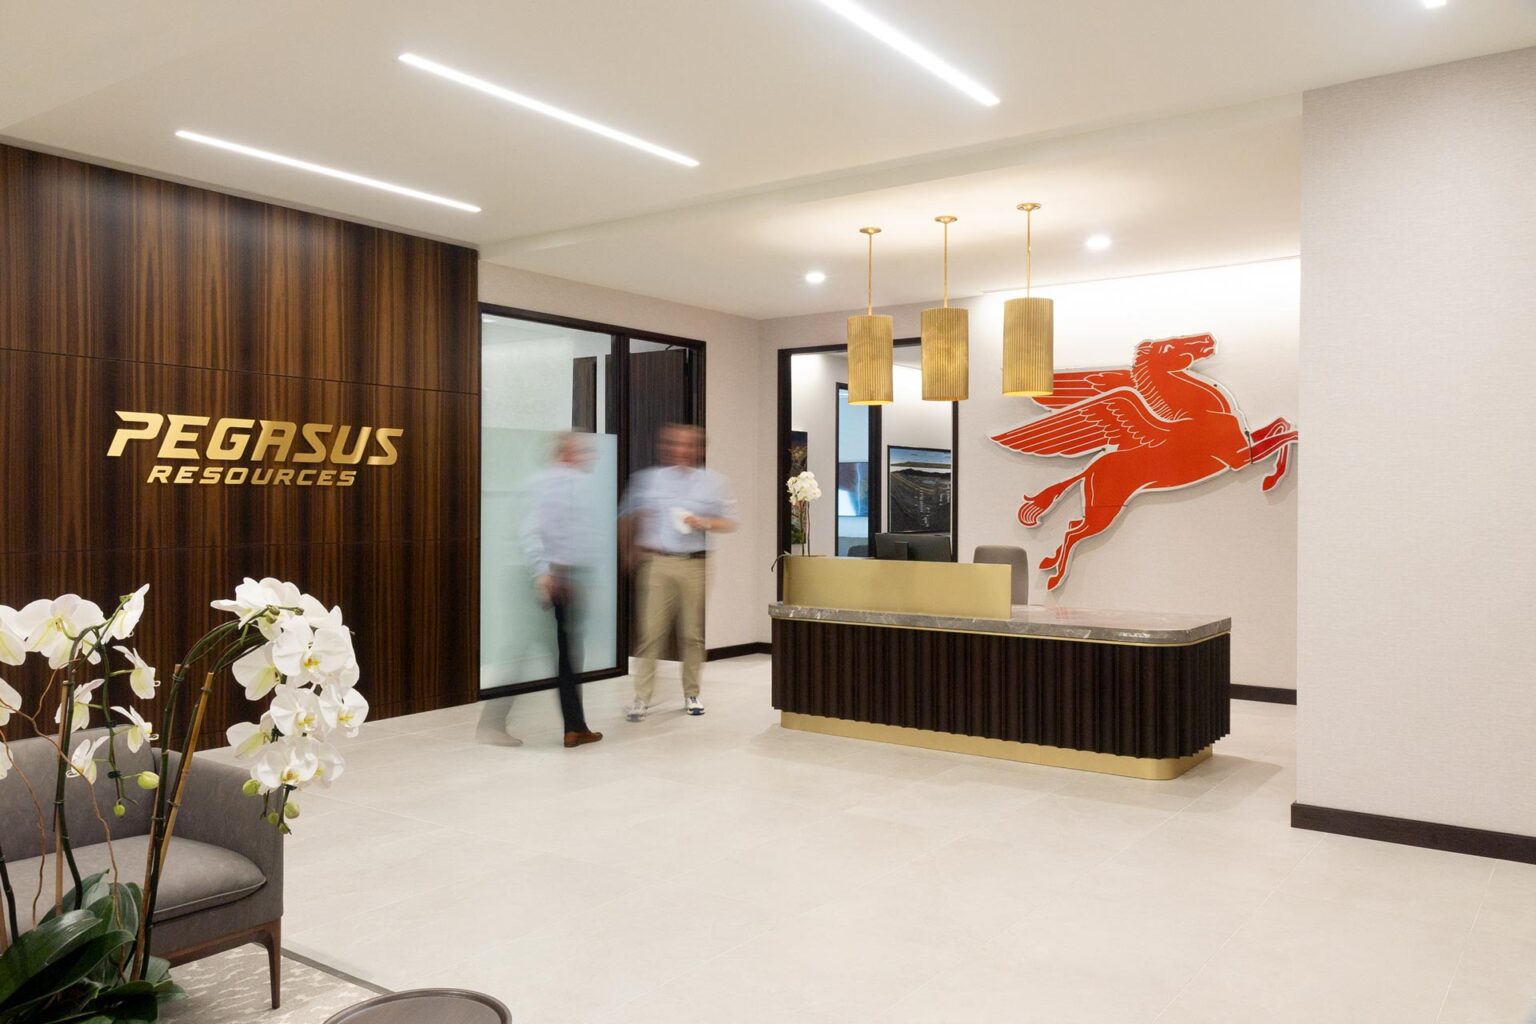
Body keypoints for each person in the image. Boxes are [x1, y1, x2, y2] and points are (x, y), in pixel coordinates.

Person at [620, 423, 737, 720]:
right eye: (673, 443)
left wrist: (704, 522)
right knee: (650, 632)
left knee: (692, 633)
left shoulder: (713, 482)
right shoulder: (648, 480)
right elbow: (626, 514)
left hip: (696, 564)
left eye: (686, 445)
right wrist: (629, 549)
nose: (679, 449)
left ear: (698, 449)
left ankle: (692, 694)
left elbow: (729, 522)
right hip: (657, 563)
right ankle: (641, 698)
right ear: (664, 446)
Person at [520, 433, 604, 749]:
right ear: (566, 452)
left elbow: (582, 534)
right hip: (557, 577)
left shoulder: (575, 484)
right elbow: (531, 531)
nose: (589, 456)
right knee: (563, 654)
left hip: (568, 577)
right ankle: (573, 726)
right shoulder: (545, 484)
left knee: (568, 653)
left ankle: (576, 726)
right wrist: (543, 573)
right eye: (583, 450)